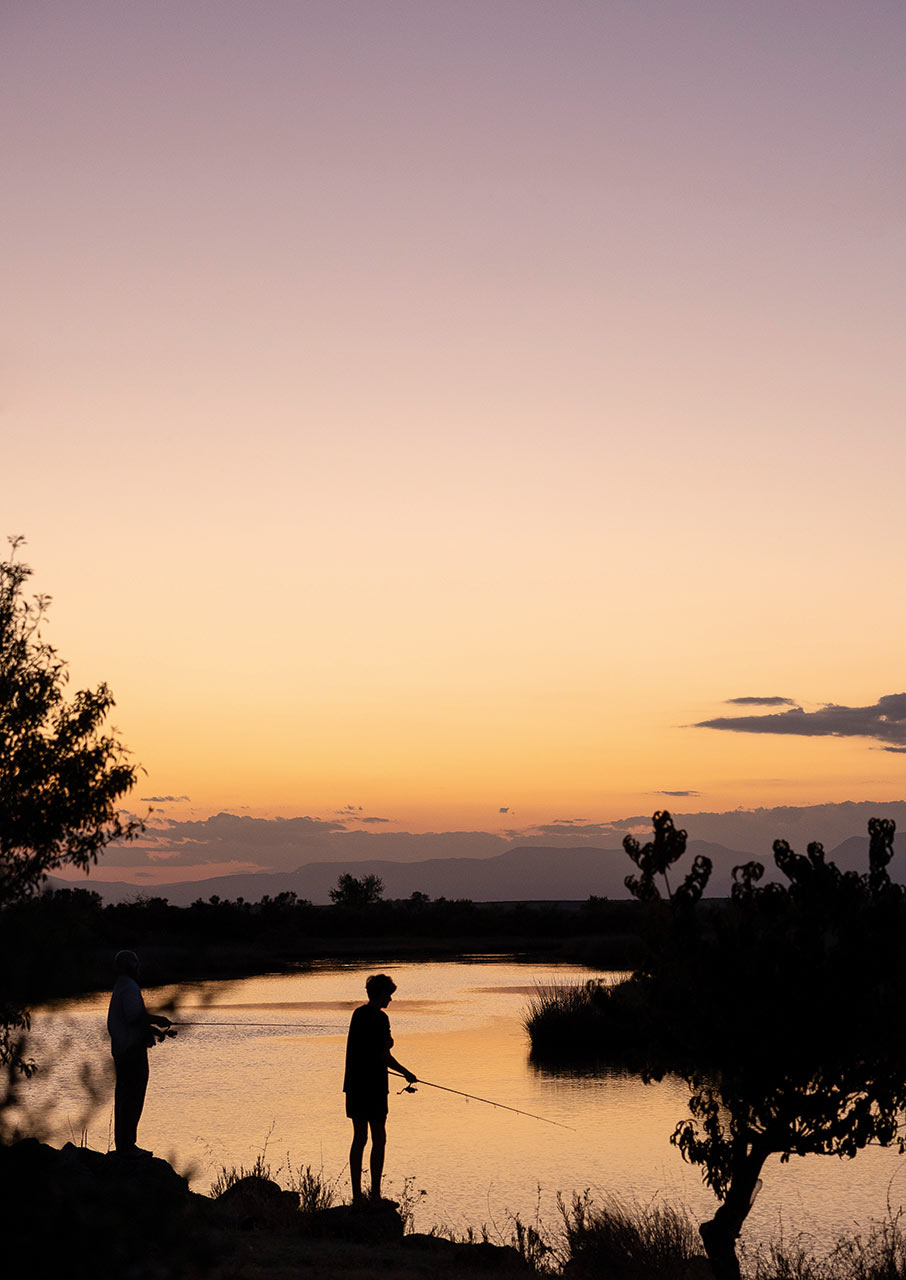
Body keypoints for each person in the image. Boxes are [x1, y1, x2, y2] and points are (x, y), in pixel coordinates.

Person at [343, 973, 416, 1205]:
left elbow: (375, 1048)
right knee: (379, 1138)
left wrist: (387, 1043)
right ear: (381, 994)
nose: (391, 1000)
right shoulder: (380, 1018)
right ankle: (374, 1195)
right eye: (389, 995)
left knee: (359, 1138)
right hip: (373, 1086)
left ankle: (357, 1197)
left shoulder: (358, 1014)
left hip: (354, 1084)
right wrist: (407, 1072)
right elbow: (383, 1055)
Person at [106, 950, 172, 1158]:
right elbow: (135, 1017)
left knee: (125, 1096)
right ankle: (127, 1146)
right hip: (131, 1052)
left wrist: (152, 1031)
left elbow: (131, 1021)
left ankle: (125, 1144)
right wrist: (158, 1020)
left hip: (123, 1050)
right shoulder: (129, 988)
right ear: (132, 967)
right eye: (136, 966)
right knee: (132, 1097)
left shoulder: (121, 986)